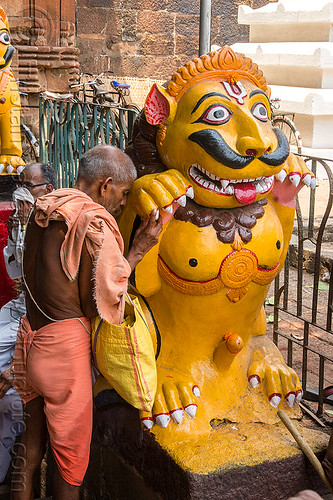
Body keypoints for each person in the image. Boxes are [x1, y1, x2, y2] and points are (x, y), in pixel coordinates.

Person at [3, 145, 162, 500]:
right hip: (63, 355)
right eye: (122, 194)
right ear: (105, 185)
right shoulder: (92, 222)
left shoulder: (44, 208)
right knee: (70, 467)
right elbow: (101, 302)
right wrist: (136, 251)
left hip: (29, 339)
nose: (122, 204)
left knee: (29, 453)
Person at [0, 163, 56, 484]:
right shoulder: (21, 221)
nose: (20, 190)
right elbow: (13, 273)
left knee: (18, 394)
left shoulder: (55, 224)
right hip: (21, 307)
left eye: (28, 185)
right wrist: (14, 231)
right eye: (19, 183)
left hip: (43, 315)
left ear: (46, 191)